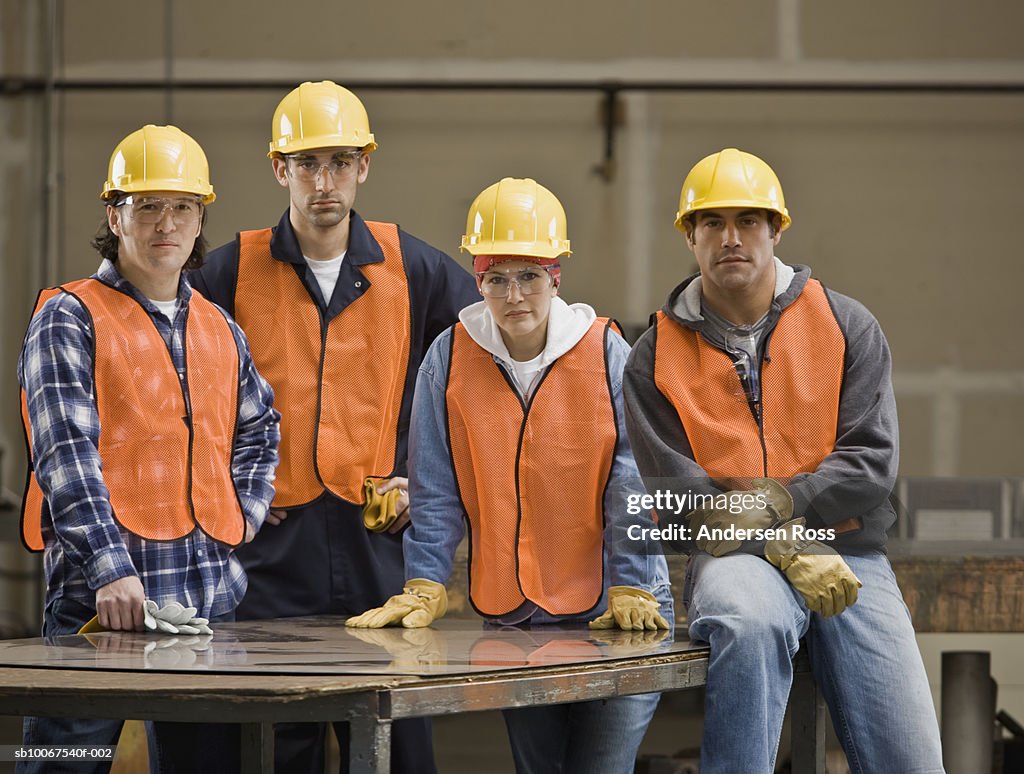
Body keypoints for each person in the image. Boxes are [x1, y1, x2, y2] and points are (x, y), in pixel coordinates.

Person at [623, 148, 944, 773]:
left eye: (749, 220)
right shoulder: (652, 356)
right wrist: (787, 544)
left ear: (777, 229)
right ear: (689, 234)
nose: (731, 238)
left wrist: (780, 504)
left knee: (912, 760)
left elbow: (870, 464)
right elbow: (679, 502)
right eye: (712, 223)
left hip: (849, 553)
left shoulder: (846, 324)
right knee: (746, 625)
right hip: (732, 559)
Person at [190, 80, 478, 773]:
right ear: (278, 168)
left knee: (395, 742)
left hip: (381, 544)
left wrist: (427, 475)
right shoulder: (228, 270)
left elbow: (476, 382)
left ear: (365, 166)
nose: (325, 181)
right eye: (309, 164)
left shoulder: (416, 268)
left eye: (341, 163)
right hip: (270, 550)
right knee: (273, 741)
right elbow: (184, 393)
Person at [347, 178, 674, 774]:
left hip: (620, 609)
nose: (513, 294)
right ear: (477, 279)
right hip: (515, 617)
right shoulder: (448, 357)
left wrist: (634, 585)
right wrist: (425, 582)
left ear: (557, 276)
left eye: (529, 275)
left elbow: (633, 482)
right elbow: (436, 485)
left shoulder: (607, 354)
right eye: (496, 277)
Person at [18, 124, 280, 773]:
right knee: (60, 764)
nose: (167, 221)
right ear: (115, 214)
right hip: (99, 609)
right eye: (148, 206)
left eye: (183, 206)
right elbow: (65, 454)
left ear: (199, 219)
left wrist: (240, 514)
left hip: (207, 605)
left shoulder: (219, 327)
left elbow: (262, 427)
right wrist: (110, 569)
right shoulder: (70, 316)